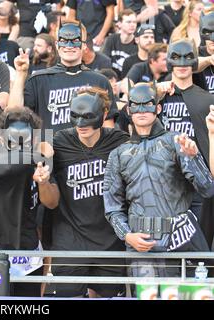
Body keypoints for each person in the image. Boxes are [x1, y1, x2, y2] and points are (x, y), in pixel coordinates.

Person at [104, 82, 214, 282]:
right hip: (140, 244)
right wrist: (127, 235)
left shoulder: (177, 142)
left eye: (147, 104)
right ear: (128, 110)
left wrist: (195, 157)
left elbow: (207, 189)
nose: (141, 110)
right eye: (136, 105)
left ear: (158, 108)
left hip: (179, 240)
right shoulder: (118, 154)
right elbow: (112, 207)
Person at [49, 87, 129, 298]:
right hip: (70, 238)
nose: (81, 124)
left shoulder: (120, 142)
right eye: (75, 116)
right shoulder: (58, 142)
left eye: (88, 117)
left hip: (109, 238)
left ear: (103, 115)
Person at [0, 106, 58, 296]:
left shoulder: (37, 161)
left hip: (27, 251)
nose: (19, 144)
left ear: (34, 137)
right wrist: (39, 153)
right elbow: (10, 166)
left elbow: (52, 202)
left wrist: (43, 182)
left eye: (26, 139)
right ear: (0, 138)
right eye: (13, 139)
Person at [9, 22, 118, 133]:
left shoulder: (99, 81)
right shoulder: (38, 79)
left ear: (84, 45)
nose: (69, 47)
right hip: (49, 148)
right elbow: (13, 115)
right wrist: (20, 74)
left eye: (75, 41)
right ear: (57, 45)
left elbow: (107, 126)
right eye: (64, 41)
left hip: (87, 149)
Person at [160, 40, 214, 246]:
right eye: (176, 57)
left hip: (200, 182)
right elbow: (129, 116)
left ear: (194, 61)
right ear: (168, 61)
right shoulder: (159, 96)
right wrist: (156, 93)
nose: (182, 63)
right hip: (166, 180)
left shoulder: (207, 99)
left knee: (201, 246)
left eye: (187, 57)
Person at [102, 9, 138, 79]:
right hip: (110, 79)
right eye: (128, 22)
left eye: (134, 22)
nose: (132, 25)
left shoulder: (137, 43)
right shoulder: (112, 39)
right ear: (119, 24)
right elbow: (104, 61)